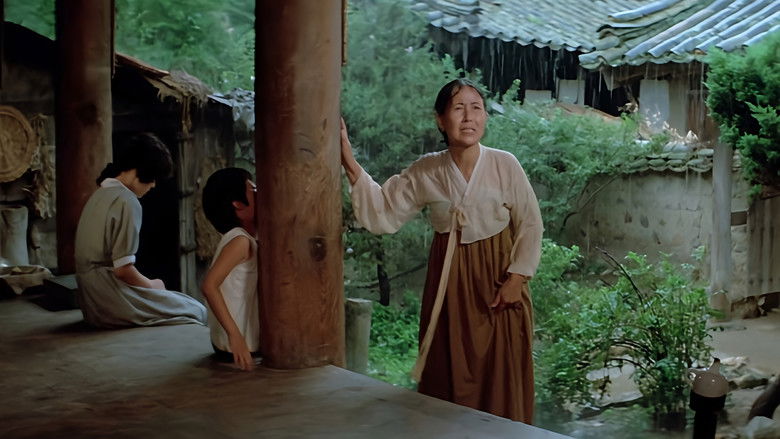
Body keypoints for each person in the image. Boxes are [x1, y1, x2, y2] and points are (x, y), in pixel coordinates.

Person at [340, 78, 543, 423]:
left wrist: (517, 279)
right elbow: (384, 210)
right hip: (451, 287)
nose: (469, 117)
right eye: (458, 108)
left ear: (485, 116)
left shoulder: (505, 164)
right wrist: (347, 158)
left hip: (499, 283)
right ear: (440, 119)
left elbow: (531, 223)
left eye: (476, 108)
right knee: (450, 367)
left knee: (501, 373)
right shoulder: (428, 169)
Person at [74, 132, 207, 328]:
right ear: (139, 171)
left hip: (90, 300)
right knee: (197, 310)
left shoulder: (100, 194)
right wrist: (152, 285)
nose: (153, 185)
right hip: (108, 298)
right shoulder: (127, 201)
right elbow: (123, 270)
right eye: (152, 178)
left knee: (181, 300)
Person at [201, 168, 259, 371]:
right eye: (253, 190)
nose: (259, 193)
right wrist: (236, 337)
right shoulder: (240, 241)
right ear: (238, 204)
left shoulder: (240, 237)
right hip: (237, 346)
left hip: (226, 344)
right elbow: (209, 286)